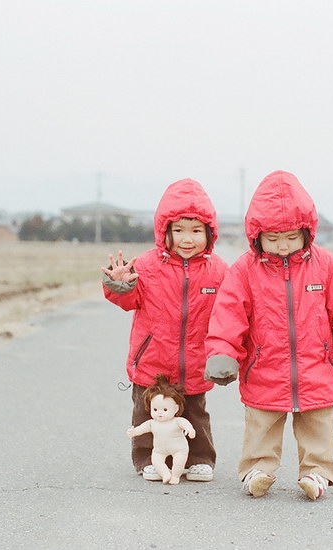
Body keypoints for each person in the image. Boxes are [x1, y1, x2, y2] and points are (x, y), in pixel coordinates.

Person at [204, 170, 333, 500]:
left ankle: (317, 472)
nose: (283, 246)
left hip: (317, 365)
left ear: (306, 232)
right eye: (273, 238)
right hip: (264, 365)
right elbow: (228, 315)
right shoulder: (244, 270)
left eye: (291, 237)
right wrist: (223, 353)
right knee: (261, 421)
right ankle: (257, 469)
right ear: (257, 236)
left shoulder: (326, 265)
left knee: (318, 423)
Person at [102, 178, 228, 482]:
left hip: (196, 360)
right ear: (164, 232)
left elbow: (231, 310)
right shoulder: (145, 266)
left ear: (209, 234)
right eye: (179, 230)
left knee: (195, 412)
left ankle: (199, 458)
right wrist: (121, 284)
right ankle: (147, 457)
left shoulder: (218, 270)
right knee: (147, 411)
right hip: (153, 359)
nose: (188, 239)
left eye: (196, 231)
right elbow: (128, 300)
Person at [127, 375, 196, 485]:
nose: (159, 413)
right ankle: (165, 474)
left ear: (176, 409)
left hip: (179, 448)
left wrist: (190, 429)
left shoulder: (177, 421)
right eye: (155, 409)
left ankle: (175, 476)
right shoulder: (152, 423)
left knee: (179, 462)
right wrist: (134, 432)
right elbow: (142, 428)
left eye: (165, 409)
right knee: (156, 460)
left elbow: (186, 424)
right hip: (159, 449)